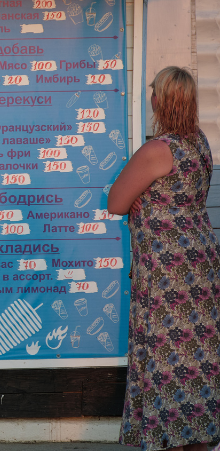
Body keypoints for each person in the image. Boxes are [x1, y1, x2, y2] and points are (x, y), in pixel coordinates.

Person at [108, 66, 220, 451]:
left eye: (153, 91)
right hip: (201, 264)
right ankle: (198, 439)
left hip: (167, 272)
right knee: (199, 355)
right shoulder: (200, 143)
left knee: (167, 355)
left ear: (160, 100)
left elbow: (115, 202)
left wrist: (141, 198)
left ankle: (170, 439)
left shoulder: (159, 150)